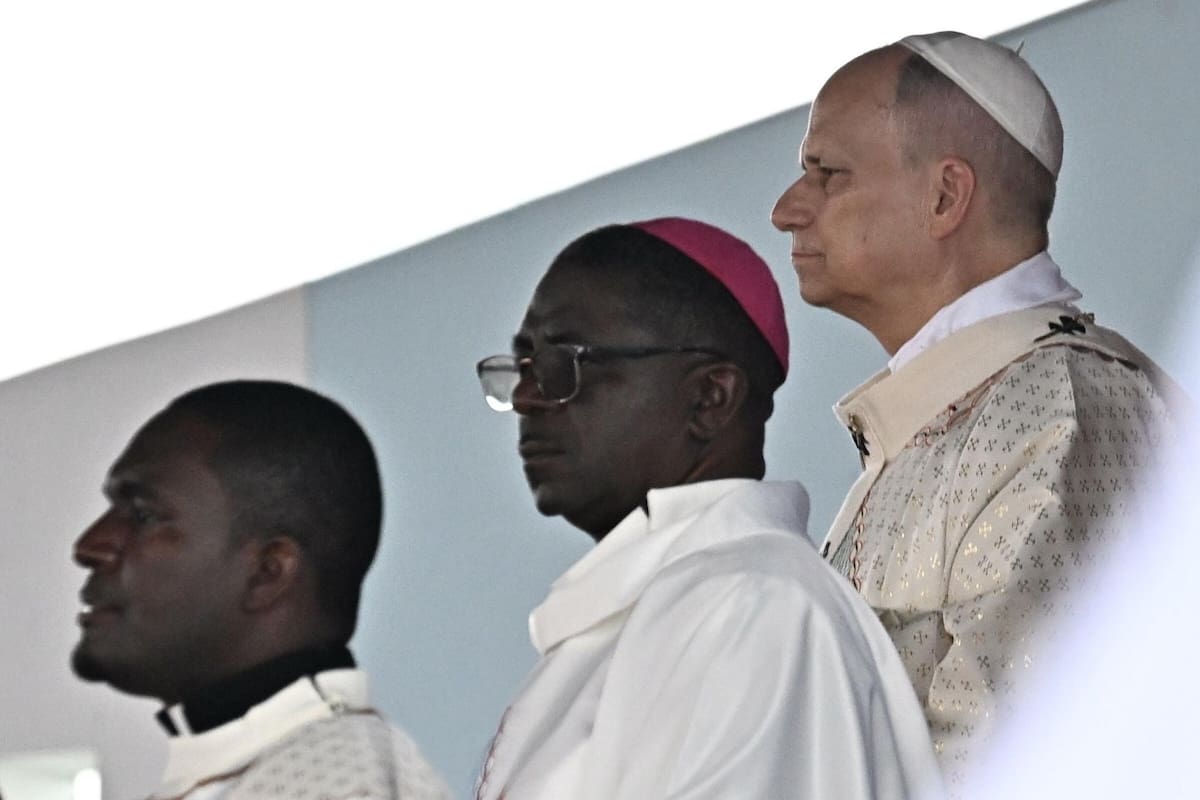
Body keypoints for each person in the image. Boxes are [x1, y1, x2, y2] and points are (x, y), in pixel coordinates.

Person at [770, 31, 1181, 791]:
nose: (786, 211)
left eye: (826, 174)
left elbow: (1028, 766)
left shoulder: (1064, 407)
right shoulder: (959, 411)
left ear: (945, 197)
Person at [472, 217, 942, 799]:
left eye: (561, 365)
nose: (525, 397)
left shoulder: (756, 606)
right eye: (521, 368)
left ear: (709, 397)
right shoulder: (662, 611)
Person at [71, 380, 451, 800]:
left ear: (268, 573)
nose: (90, 545)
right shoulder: (265, 766)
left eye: (142, 515)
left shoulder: (342, 785)